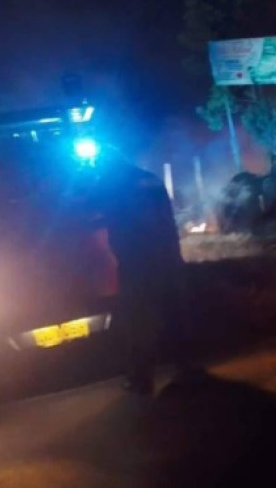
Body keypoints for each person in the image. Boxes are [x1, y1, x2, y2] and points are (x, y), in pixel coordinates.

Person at [89, 150, 192, 395]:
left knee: (138, 320)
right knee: (173, 312)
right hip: (166, 256)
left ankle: (141, 379)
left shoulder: (111, 184)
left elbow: (93, 214)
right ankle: (186, 368)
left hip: (137, 262)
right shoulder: (150, 178)